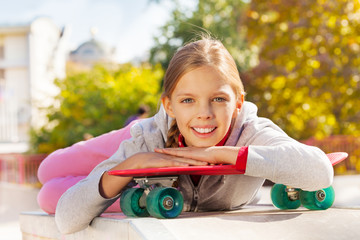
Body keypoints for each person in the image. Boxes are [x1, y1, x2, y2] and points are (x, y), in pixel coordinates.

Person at [38, 37, 333, 234]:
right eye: (188, 100)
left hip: (156, 180)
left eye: (218, 99)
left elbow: (319, 170)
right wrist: (134, 164)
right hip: (144, 140)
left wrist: (225, 155)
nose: (204, 113)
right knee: (49, 169)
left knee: (49, 196)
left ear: (238, 102)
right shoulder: (146, 138)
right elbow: (67, 221)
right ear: (169, 104)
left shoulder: (251, 131)